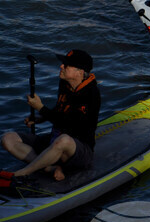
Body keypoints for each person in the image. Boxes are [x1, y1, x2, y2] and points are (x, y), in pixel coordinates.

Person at [0, 50, 100, 185]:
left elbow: (70, 124)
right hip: (54, 139)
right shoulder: (64, 83)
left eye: (66, 65)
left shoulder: (91, 94)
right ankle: (49, 167)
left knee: (64, 140)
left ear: (80, 72)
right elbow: (61, 111)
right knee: (8, 139)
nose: (61, 66)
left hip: (78, 150)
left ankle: (22, 174)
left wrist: (41, 108)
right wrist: (41, 118)